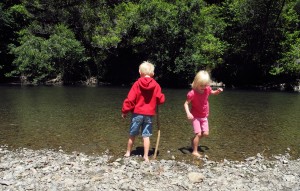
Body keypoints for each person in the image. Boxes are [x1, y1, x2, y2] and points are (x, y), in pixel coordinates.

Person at [122, 61, 165, 162]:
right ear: (153, 74)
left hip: (137, 114)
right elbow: (161, 99)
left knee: (132, 134)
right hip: (149, 115)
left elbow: (130, 99)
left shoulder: (137, 84)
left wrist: (125, 111)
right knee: (146, 135)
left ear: (139, 72)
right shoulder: (156, 85)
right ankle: (145, 156)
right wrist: (158, 99)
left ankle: (128, 152)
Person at [184, 70, 223, 158]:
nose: (203, 87)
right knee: (198, 134)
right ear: (196, 82)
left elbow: (212, 93)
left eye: (205, 85)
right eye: (201, 85)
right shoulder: (192, 93)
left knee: (205, 133)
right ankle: (194, 151)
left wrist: (217, 91)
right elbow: (186, 103)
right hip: (195, 116)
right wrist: (188, 113)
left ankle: (194, 140)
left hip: (204, 115)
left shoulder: (207, 89)